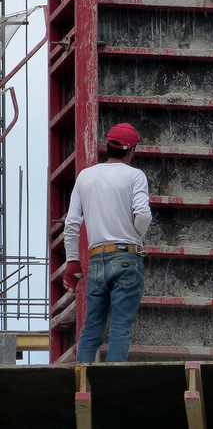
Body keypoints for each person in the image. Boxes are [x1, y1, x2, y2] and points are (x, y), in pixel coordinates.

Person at [63, 123, 151, 362]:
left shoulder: (85, 176)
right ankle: (113, 386)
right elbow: (142, 214)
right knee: (120, 325)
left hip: (97, 260)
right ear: (132, 150)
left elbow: (71, 223)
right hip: (127, 258)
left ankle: (82, 385)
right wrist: (134, 237)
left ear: (107, 146)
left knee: (92, 326)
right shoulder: (135, 176)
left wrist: (72, 262)